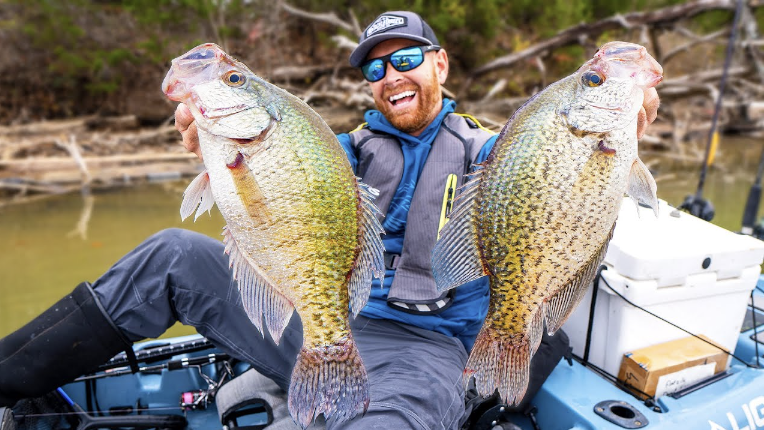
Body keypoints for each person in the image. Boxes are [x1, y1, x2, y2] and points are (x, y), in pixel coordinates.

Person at [0, 10, 660, 430]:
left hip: (423, 353)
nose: (390, 75)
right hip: (322, 328)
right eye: (376, 67)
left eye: (406, 58)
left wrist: (624, 118)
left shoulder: (499, 148)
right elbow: (265, 200)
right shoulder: (327, 152)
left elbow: (555, 172)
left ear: (441, 64)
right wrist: (203, 139)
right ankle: (9, 379)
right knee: (171, 253)